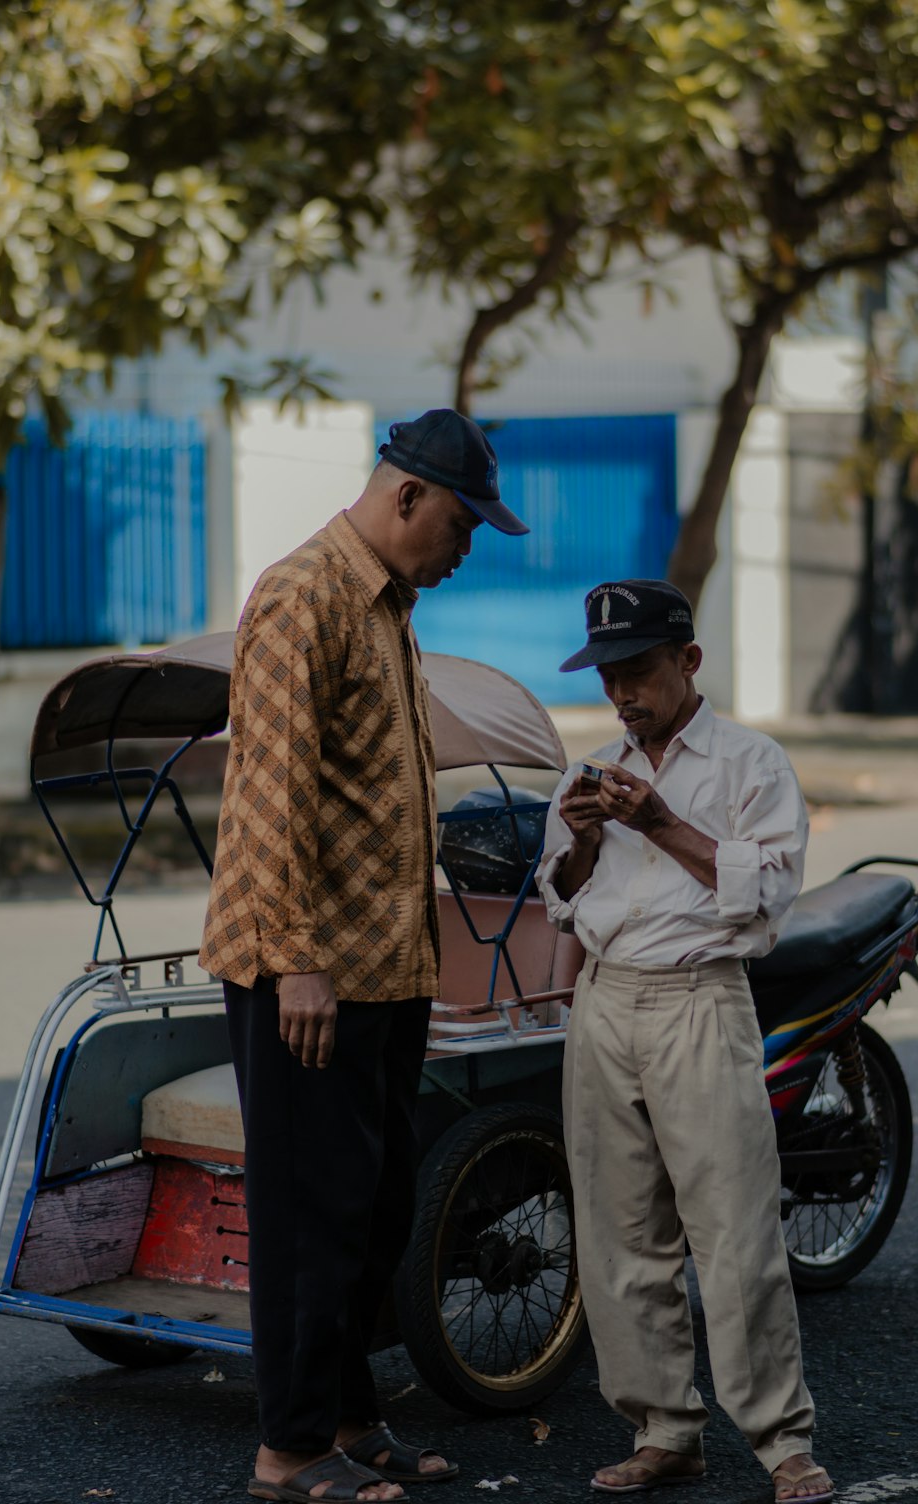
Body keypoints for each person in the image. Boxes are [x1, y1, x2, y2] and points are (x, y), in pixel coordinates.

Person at [199, 410, 529, 1504]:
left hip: (384, 970)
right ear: (405, 499)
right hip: (310, 975)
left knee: (373, 1208)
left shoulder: (389, 605)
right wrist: (295, 957)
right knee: (309, 1216)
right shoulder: (305, 594)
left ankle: (345, 1416)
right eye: (461, 522)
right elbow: (268, 793)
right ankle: (287, 1451)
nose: (465, 547)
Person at [536, 580, 834, 1504]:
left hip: (701, 1002)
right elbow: (563, 896)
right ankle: (662, 1427)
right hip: (607, 1003)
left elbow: (768, 892)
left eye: (639, 672)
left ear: (689, 662)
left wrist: (658, 823)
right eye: (609, 677)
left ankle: (783, 1443)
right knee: (620, 1236)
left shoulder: (751, 765)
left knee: (735, 1235)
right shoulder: (591, 770)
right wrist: (585, 841)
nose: (624, 695)